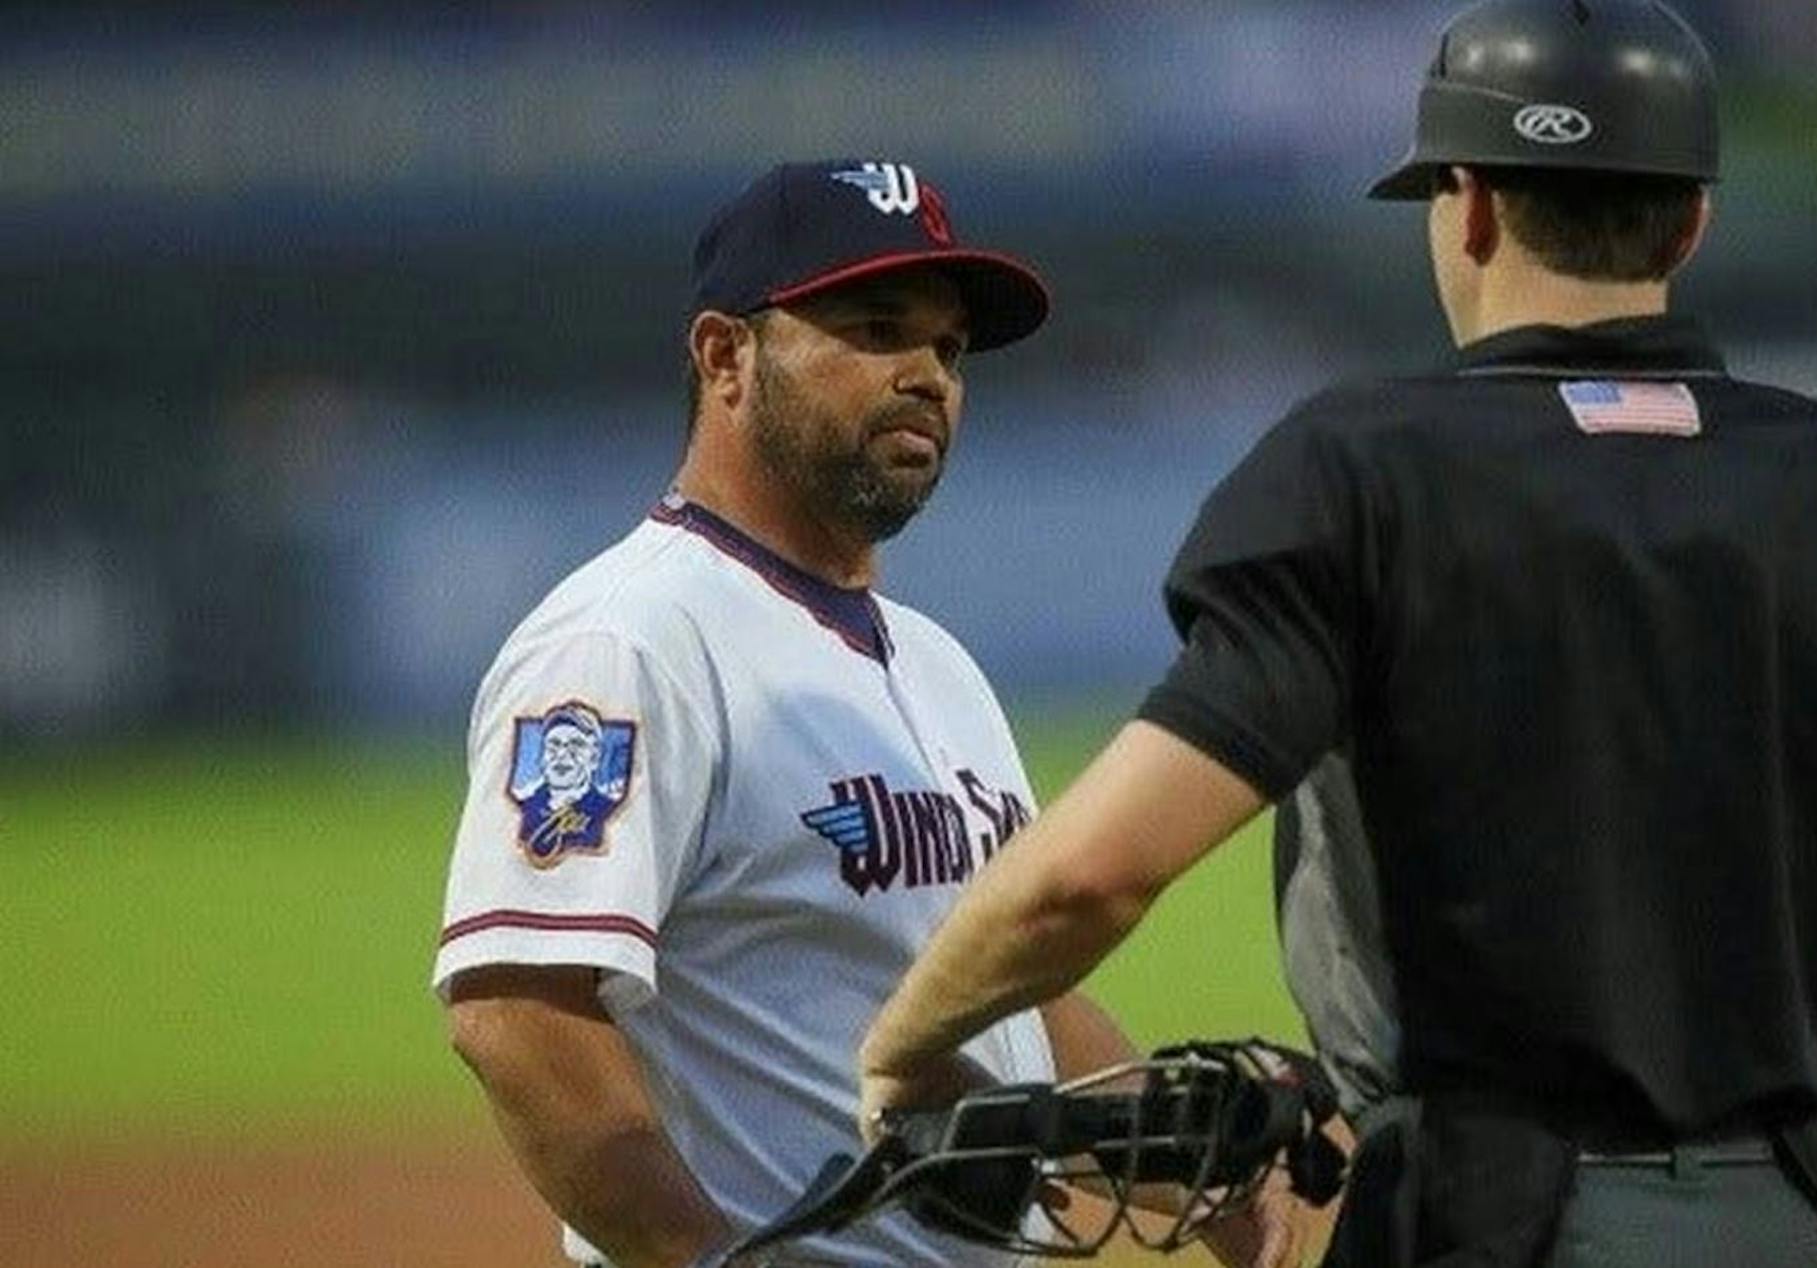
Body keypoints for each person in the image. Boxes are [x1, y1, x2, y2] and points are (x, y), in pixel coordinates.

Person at [857, 5, 1817, 1268]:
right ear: (1691, 220)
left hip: (1484, 1224)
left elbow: (1092, 874)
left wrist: (902, 1046)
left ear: (1465, 206)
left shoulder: (1361, 477)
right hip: (1799, 1222)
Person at [432, 159, 1292, 1268]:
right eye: (879, 329)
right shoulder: (628, 642)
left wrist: (1191, 1164)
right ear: (726, 356)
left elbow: (1019, 1003)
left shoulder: (938, 667)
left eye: (950, 349)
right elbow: (516, 1013)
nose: (927, 375)